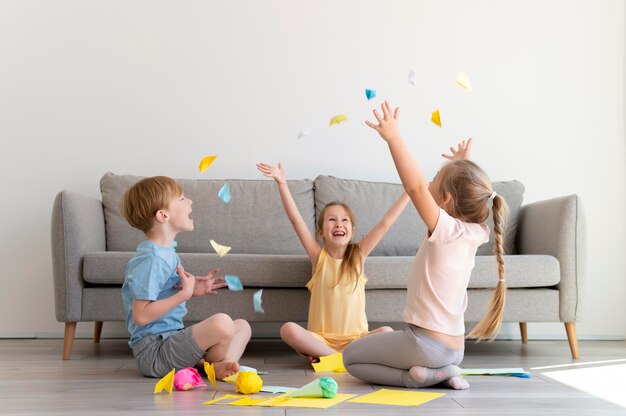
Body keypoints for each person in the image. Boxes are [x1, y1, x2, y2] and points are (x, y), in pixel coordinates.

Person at [343, 101, 509, 390]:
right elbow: (470, 194)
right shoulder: (476, 232)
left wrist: (394, 138)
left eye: (435, 180)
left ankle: (415, 377)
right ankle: (442, 371)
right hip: (455, 349)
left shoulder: (445, 229)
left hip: (425, 346)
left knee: (350, 359)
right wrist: (463, 166)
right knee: (383, 341)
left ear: (445, 200)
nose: (429, 182)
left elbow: (416, 187)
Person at [256, 162, 410, 362]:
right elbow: (296, 220)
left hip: (357, 339)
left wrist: (409, 192)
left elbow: (385, 224)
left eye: (344, 220)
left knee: (387, 331)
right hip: (321, 341)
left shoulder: (359, 255)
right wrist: (282, 184)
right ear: (321, 232)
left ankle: (333, 358)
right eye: (331, 220)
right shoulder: (318, 257)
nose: (338, 224)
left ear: (352, 231)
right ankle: (340, 357)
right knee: (288, 330)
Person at [120, 176, 251, 379]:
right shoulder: (153, 259)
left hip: (170, 341)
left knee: (242, 326)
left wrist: (188, 289)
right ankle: (210, 366)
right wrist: (184, 294)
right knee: (223, 323)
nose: (190, 201)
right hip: (154, 352)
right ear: (163, 215)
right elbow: (141, 316)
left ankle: (216, 367)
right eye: (182, 199)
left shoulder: (165, 252)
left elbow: (160, 294)